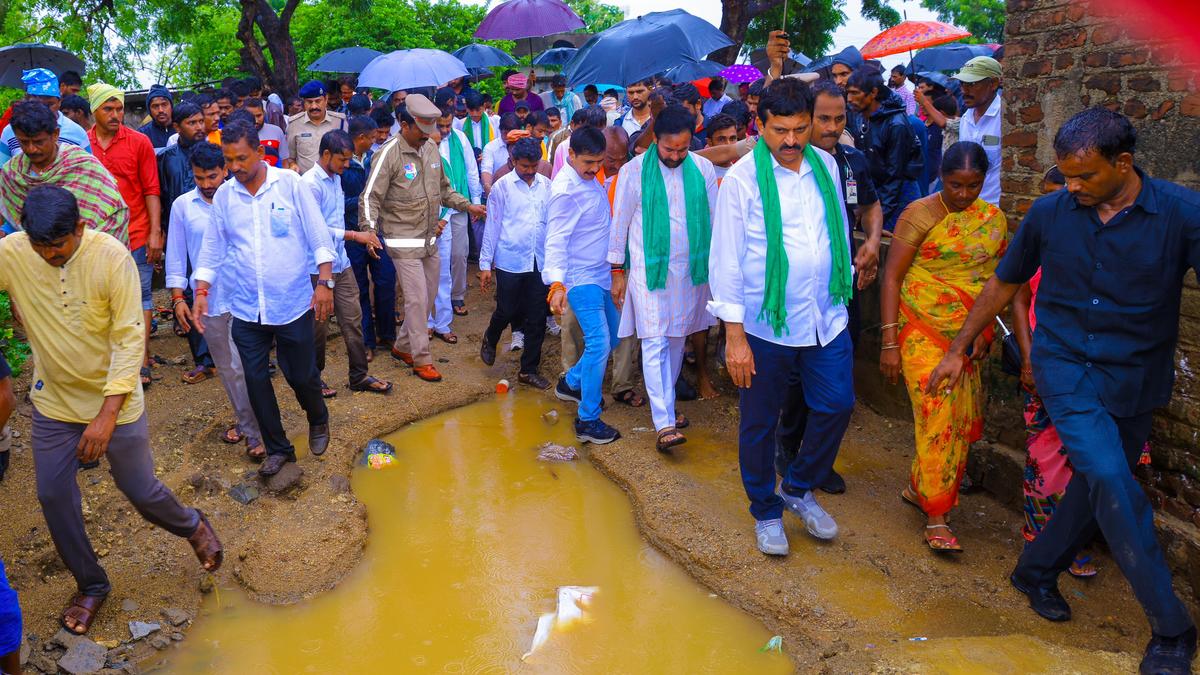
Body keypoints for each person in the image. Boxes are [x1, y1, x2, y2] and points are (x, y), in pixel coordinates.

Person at [927, 108, 1199, 674]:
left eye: (1084, 177)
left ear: (1123, 164)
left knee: (1100, 486)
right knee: (1104, 474)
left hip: (1136, 377)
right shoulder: (1051, 212)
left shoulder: (1182, 214)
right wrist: (958, 347)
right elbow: (1005, 282)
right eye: (1065, 176)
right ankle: (1172, 629)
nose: (1070, 187)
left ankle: (1034, 570)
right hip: (1065, 367)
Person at [0, 185, 222, 635]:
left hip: (114, 401)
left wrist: (105, 416)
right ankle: (92, 584)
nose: (47, 257)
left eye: (57, 247)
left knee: (139, 490)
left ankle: (193, 526)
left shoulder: (113, 258)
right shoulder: (13, 252)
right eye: (39, 248)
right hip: (54, 400)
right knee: (53, 496)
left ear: (80, 228)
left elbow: (127, 340)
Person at [708, 77, 855, 556]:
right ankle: (765, 508)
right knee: (759, 423)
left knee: (836, 405)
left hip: (825, 317)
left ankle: (797, 486)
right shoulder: (743, 180)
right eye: (779, 131)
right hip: (764, 325)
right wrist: (734, 336)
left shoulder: (827, 166)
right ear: (760, 125)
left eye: (800, 129)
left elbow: (835, 235)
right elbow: (726, 258)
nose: (791, 141)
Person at [878, 141, 1005, 553]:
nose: (964, 195)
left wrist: (983, 332)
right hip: (920, 330)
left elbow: (997, 283)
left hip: (966, 337)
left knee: (955, 424)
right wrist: (889, 341)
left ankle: (920, 488)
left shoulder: (993, 220)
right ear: (941, 178)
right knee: (937, 418)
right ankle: (937, 515)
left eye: (973, 185)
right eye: (955, 185)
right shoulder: (920, 214)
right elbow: (892, 278)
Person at [193, 121, 336, 477]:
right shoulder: (226, 196)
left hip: (290, 303)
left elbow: (318, 232)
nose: (236, 167)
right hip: (245, 307)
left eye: (242, 158)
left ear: (260, 152)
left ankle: (318, 417)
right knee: (255, 380)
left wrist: (325, 281)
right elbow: (213, 247)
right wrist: (201, 290)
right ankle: (278, 449)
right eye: (229, 160)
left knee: (301, 375)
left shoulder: (289, 185)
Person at [774, 80, 884, 493]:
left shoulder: (852, 161)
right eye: (823, 118)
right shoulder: (785, 160)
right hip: (794, 286)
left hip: (841, 285)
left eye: (840, 119)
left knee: (836, 376)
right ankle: (786, 443)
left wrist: (872, 244)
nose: (833, 127)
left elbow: (871, 206)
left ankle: (815, 460)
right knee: (794, 376)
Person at [608, 106, 718, 452]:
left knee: (675, 339)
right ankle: (664, 423)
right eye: (669, 149)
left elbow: (715, 223)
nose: (675, 156)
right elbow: (620, 223)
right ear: (655, 140)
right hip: (647, 269)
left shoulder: (702, 169)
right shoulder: (634, 172)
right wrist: (617, 271)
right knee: (655, 339)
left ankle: (665, 408)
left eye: (682, 149)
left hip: (689, 271)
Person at [1009, 165, 1099, 578]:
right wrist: (1027, 357)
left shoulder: (1103, 244)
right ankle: (1041, 541)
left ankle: (1073, 541)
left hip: (1094, 368)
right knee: (1045, 458)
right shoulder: (1041, 235)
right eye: (1047, 194)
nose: (1054, 203)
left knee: (1089, 459)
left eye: (1060, 194)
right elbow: (1018, 294)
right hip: (1045, 363)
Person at [360, 96, 485, 382]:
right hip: (402, 240)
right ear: (404, 125)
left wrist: (469, 205)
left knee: (428, 298)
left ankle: (402, 346)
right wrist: (368, 230)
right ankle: (421, 358)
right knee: (416, 300)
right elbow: (370, 196)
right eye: (422, 129)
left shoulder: (430, 149)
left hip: (429, 239)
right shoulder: (388, 153)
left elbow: (444, 190)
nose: (428, 135)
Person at [166, 142, 263, 456]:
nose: (207, 184)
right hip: (208, 301)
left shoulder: (241, 197)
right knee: (228, 368)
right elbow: (177, 254)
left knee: (249, 365)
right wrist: (179, 297)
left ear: (225, 170)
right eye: (199, 178)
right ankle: (250, 428)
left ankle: (260, 428)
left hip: (247, 295)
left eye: (212, 176)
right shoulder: (183, 206)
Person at [544, 127, 624, 443]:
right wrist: (557, 284)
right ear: (571, 155)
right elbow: (556, 239)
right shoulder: (565, 190)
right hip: (580, 278)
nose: (594, 168)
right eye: (588, 162)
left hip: (601, 272)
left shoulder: (588, 178)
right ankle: (587, 421)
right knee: (600, 343)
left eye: (599, 162)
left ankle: (572, 381)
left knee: (616, 336)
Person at [301, 130, 393, 397]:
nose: (347, 165)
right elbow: (314, 228)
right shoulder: (310, 184)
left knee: (353, 319)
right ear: (326, 155)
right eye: (343, 160)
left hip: (342, 262)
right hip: (315, 268)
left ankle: (359, 375)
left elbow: (336, 219)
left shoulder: (335, 179)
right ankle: (314, 380)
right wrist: (355, 236)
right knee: (318, 324)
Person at [87, 83, 163, 390]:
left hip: (136, 234)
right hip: (95, 240)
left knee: (140, 299)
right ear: (95, 111)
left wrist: (155, 232)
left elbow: (151, 190)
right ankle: (108, 363)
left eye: (119, 108)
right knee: (100, 303)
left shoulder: (139, 142)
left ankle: (141, 362)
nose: (116, 114)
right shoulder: (82, 144)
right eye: (109, 109)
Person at [479, 137, 553, 389]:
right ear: (513, 162)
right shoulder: (501, 187)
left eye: (534, 166)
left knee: (537, 316)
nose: (530, 171)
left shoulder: (547, 186)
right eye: (524, 167)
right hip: (510, 259)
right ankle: (491, 336)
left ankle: (528, 369)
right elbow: (492, 226)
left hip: (539, 261)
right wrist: (485, 264)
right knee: (507, 309)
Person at [0, 101, 128, 244]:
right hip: (31, 259)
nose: (31, 149)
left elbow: (114, 213)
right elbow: (14, 222)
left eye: (38, 142)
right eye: (23, 142)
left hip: (88, 255)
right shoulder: (12, 173)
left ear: (55, 134)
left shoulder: (84, 165)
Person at [342, 115, 396, 359]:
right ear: (361, 138)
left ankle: (387, 334)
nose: (377, 141)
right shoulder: (342, 162)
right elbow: (338, 203)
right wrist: (365, 199)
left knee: (386, 281)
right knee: (360, 288)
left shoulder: (375, 158)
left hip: (378, 231)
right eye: (373, 137)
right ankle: (366, 341)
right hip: (353, 235)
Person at [846, 67, 921, 231]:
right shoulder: (859, 115)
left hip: (898, 196)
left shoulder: (897, 125)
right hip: (878, 192)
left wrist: (877, 217)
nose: (849, 99)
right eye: (848, 93)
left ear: (873, 93)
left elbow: (895, 178)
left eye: (855, 93)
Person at [431, 107, 482, 340]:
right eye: (440, 126)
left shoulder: (460, 138)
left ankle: (457, 296)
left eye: (447, 125)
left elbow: (472, 171)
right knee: (435, 265)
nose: (444, 130)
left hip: (458, 205)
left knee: (459, 255)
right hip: (431, 214)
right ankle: (430, 318)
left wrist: (475, 202)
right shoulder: (426, 142)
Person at [0, 68, 91, 166]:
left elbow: (89, 171)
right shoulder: (10, 131)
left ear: (59, 102)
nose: (43, 110)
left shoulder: (77, 133)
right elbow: (2, 170)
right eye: (36, 104)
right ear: (26, 101)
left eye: (49, 105)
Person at [951, 56, 1002, 206]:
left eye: (972, 84)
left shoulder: (1005, 118)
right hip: (968, 206)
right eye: (962, 84)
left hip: (995, 206)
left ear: (993, 83)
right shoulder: (966, 119)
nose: (964, 90)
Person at [157, 102, 207, 230]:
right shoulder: (165, 158)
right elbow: (159, 196)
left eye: (201, 121)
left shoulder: (215, 154)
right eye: (192, 123)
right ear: (177, 127)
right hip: (175, 225)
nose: (199, 127)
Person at [286, 80, 347, 173]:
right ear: (304, 103)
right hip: (305, 183)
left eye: (318, 101)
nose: (314, 106)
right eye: (309, 102)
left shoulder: (340, 122)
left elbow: (347, 154)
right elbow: (290, 158)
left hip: (334, 181)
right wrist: (293, 165)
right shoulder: (294, 124)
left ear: (326, 99)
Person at [481, 113, 525, 195]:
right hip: (499, 191)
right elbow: (486, 169)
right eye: (505, 133)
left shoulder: (526, 145)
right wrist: (487, 186)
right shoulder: (490, 148)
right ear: (500, 130)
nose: (508, 137)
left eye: (512, 133)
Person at [244, 97, 289, 168]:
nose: (256, 120)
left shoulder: (276, 131)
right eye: (252, 117)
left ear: (264, 113)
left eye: (259, 116)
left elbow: (285, 163)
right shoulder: (239, 135)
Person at [139, 84, 174, 151]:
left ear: (171, 106)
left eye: (164, 104)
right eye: (155, 106)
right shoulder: (142, 134)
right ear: (149, 110)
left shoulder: (182, 129)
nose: (160, 110)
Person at [705, 113, 739, 181]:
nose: (728, 144)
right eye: (721, 139)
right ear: (709, 142)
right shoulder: (703, 174)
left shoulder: (742, 171)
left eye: (732, 138)